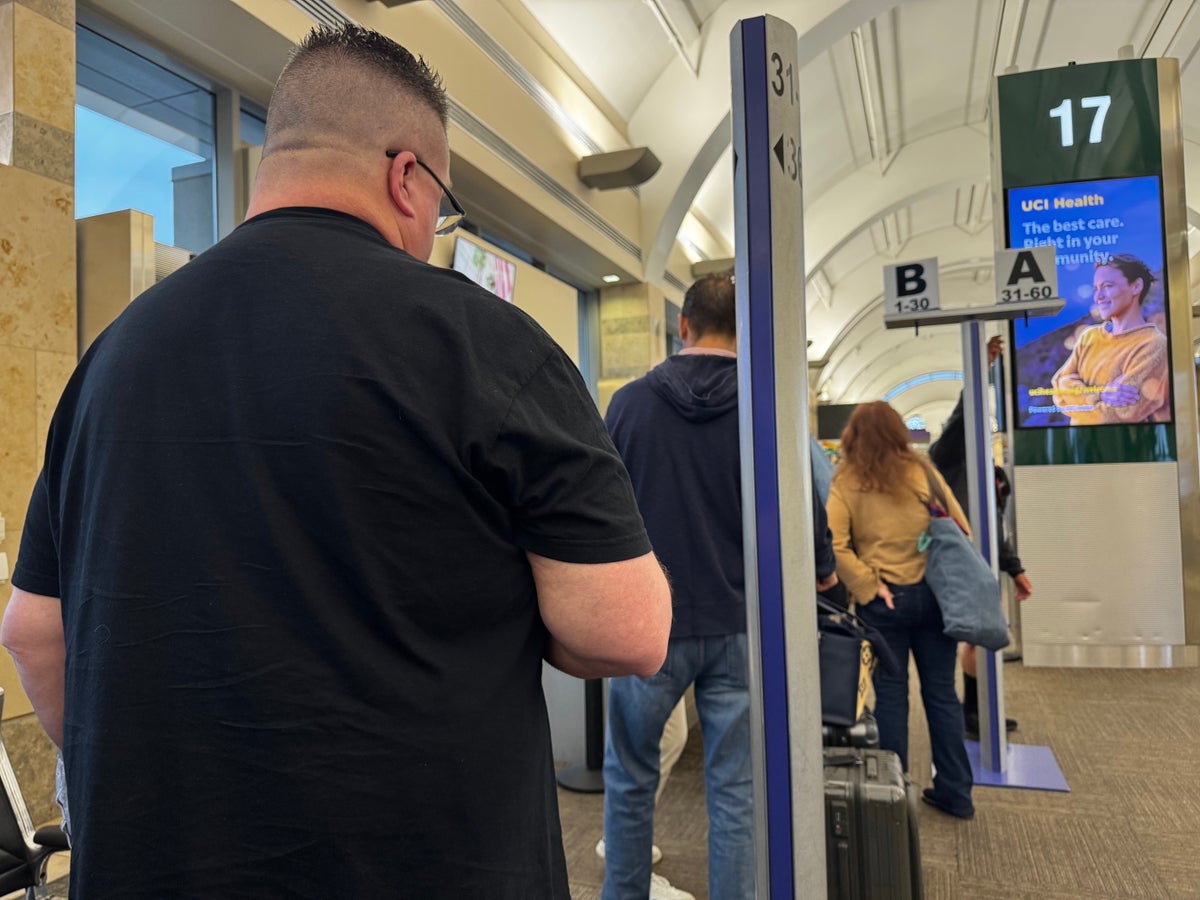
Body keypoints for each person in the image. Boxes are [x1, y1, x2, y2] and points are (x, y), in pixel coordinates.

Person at [1, 23, 672, 899]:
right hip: (429, 868)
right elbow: (626, 629)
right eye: (443, 205)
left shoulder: (112, 358)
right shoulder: (489, 346)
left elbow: (32, 629)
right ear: (407, 177)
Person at [601, 273, 834, 900]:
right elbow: (807, 507)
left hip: (650, 624)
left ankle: (622, 895)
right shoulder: (768, 407)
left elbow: (599, 509)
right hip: (741, 620)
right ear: (747, 331)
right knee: (735, 788)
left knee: (630, 776)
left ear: (683, 324)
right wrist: (823, 567)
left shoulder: (627, 406)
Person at [826, 401, 975, 819]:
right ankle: (956, 794)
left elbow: (833, 546)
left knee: (890, 698)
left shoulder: (847, 483)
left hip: (883, 603)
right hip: (933, 598)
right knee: (942, 696)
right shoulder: (923, 471)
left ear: (853, 437)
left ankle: (893, 796)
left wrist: (869, 585)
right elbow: (961, 528)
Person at [928, 335, 1033, 737]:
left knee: (981, 638)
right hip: (958, 563)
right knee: (970, 636)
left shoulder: (989, 476)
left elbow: (995, 525)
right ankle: (968, 715)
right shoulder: (947, 457)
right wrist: (981, 373)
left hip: (981, 562)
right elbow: (960, 420)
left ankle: (976, 711)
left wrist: (1015, 568)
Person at [1050, 253, 1170, 424]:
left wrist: (1074, 395)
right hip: (1080, 448)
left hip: (1129, 449)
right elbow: (1058, 387)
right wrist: (1100, 394)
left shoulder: (1154, 345)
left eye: (1107, 286)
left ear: (1136, 286)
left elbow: (1117, 415)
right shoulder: (1089, 337)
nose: (1098, 297)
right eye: (1095, 289)